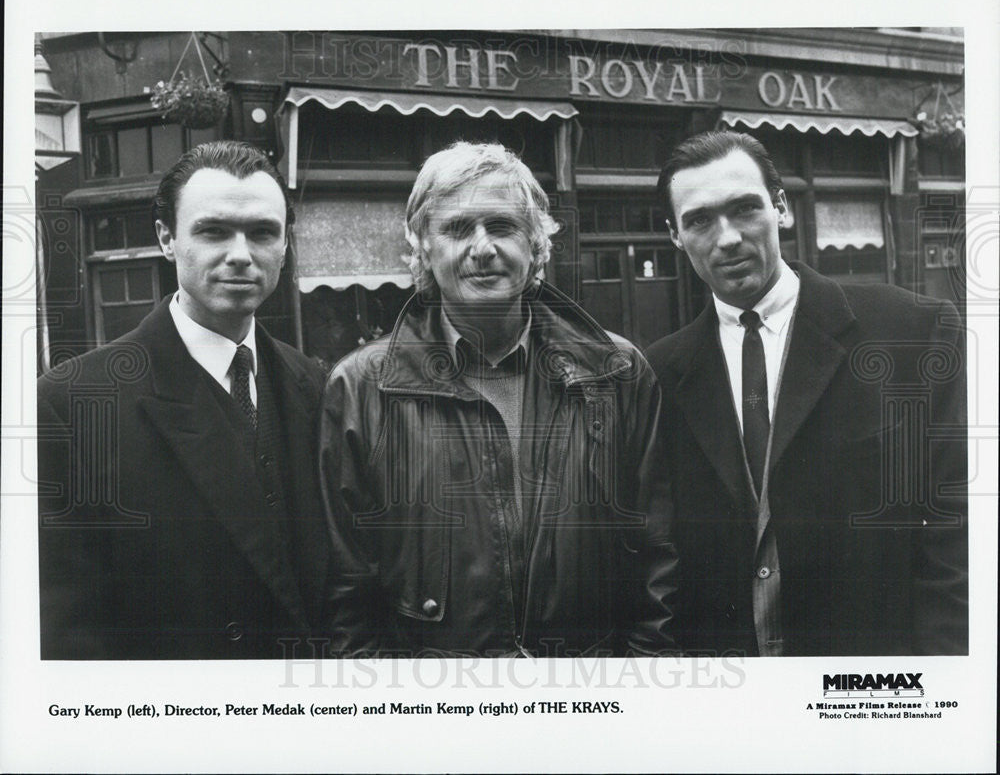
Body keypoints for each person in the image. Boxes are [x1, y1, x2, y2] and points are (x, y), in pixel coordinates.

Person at [319, 141, 677, 656]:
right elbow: (346, 593)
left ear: (535, 244)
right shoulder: (360, 388)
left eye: (502, 226)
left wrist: (639, 692)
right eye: (458, 229)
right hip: (440, 712)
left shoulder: (615, 372)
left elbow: (657, 559)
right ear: (422, 248)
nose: (482, 247)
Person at [646, 130, 968, 656]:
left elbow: (957, 532)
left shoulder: (910, 333)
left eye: (745, 208)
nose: (727, 238)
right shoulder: (657, 374)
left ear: (781, 207)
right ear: (675, 236)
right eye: (700, 220)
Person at [37, 141, 330, 659]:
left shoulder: (316, 386)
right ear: (166, 239)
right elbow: (66, 630)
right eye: (213, 230)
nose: (240, 253)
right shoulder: (75, 403)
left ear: (284, 247)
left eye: (262, 232)